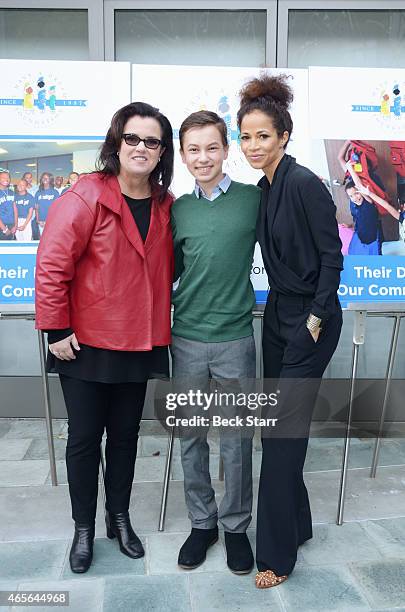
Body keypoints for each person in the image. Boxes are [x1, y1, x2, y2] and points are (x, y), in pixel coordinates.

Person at [35, 101, 174, 574]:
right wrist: (55, 327)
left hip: (138, 340)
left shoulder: (165, 203)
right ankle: (83, 528)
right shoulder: (85, 195)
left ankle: (119, 518)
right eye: (131, 138)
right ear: (116, 143)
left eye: (151, 141)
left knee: (126, 438)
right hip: (84, 342)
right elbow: (52, 264)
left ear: (161, 152)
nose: (140, 147)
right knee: (84, 440)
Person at [237, 74, 343, 588]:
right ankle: (297, 524)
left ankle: (276, 554)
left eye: (263, 135)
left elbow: (331, 257)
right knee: (276, 432)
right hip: (277, 317)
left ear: (283, 135)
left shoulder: (303, 183)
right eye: (246, 136)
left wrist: (315, 322)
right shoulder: (265, 186)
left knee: (280, 439)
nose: (253, 145)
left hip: (312, 319)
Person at [171, 111, 261, 574]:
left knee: (238, 440)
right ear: (183, 156)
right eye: (193, 149)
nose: (203, 157)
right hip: (185, 338)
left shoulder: (253, 199)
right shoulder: (176, 209)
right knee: (190, 436)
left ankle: (236, 527)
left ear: (226, 150)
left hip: (236, 339)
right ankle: (202, 524)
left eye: (211, 147)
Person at [0, 171, 17, 240]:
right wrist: (4, 228)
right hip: (2, 225)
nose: (6, 179)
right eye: (3, 177)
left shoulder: (11, 192)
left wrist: (15, 225)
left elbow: (15, 210)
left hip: (11, 225)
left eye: (8, 177)